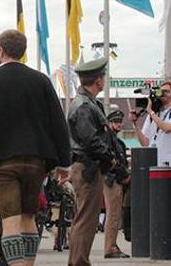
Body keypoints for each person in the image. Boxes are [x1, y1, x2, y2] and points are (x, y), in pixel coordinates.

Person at [0, 30, 71, 266]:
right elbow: (58, 123)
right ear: (23, 52)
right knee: (28, 217)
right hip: (36, 162)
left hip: (2, 162)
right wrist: (64, 162)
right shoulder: (41, 80)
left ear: (1, 51)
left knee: (10, 221)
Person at [66, 57, 123, 266]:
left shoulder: (87, 102)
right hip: (88, 166)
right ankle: (79, 262)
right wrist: (111, 159)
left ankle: (77, 261)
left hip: (88, 165)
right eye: (103, 77)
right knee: (86, 221)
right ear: (98, 81)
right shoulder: (84, 105)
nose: (104, 80)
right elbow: (91, 140)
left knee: (84, 219)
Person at [103, 107, 130, 259]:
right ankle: (110, 247)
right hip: (111, 179)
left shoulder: (117, 140)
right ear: (109, 123)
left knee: (115, 214)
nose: (118, 124)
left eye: (120, 122)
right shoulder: (108, 138)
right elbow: (110, 159)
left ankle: (112, 244)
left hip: (116, 179)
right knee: (113, 215)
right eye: (115, 122)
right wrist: (124, 174)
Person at [135, 81, 171, 165]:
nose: (163, 93)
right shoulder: (154, 114)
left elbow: (167, 128)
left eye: (166, 91)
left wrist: (150, 111)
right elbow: (145, 143)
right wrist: (135, 123)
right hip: (154, 164)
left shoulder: (152, 113)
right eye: (161, 91)